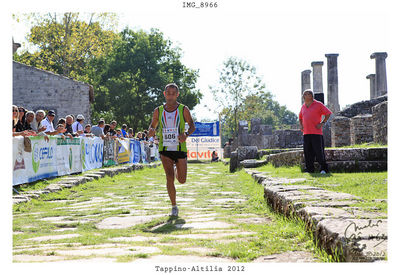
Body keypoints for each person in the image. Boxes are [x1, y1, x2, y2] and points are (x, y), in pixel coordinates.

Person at [148, 83, 195, 217]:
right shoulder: (158, 110)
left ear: (177, 95)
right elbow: (152, 126)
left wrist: (185, 134)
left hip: (180, 147)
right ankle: (174, 206)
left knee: (182, 180)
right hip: (165, 148)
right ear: (164, 94)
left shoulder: (183, 109)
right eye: (168, 93)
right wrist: (151, 131)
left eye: (173, 93)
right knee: (169, 178)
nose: (170, 96)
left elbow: (192, 125)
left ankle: (177, 170)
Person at [299, 89, 332, 174]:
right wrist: (301, 125)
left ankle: (324, 169)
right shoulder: (303, 106)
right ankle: (309, 169)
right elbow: (300, 117)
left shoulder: (318, 104)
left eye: (308, 94)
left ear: (312, 96)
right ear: (303, 97)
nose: (306, 95)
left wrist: (322, 123)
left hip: (316, 133)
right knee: (307, 152)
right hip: (306, 133)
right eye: (305, 94)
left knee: (319, 152)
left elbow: (328, 113)